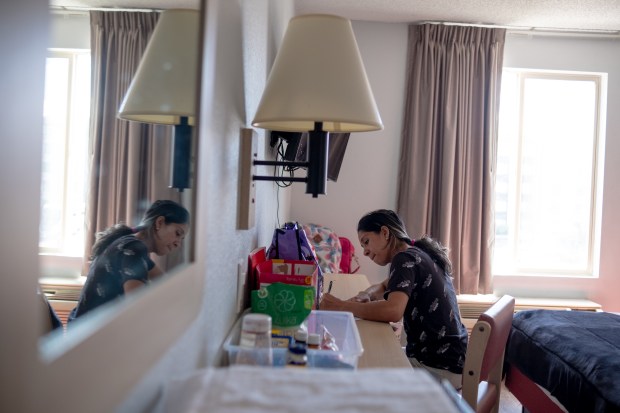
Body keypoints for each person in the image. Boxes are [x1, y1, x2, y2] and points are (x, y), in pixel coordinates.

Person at [320, 209, 468, 389]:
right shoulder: (418, 252)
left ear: (385, 232)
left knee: (363, 369)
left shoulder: (404, 258)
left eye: (366, 242)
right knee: (373, 353)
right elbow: (384, 286)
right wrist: (367, 294)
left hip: (438, 368)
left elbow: (393, 310)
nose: (365, 252)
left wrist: (342, 306)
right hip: (452, 360)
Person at [68, 200, 190, 322]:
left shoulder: (130, 244)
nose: (178, 244)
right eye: (178, 233)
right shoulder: (134, 249)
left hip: (84, 329)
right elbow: (137, 308)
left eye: (182, 239)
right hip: (91, 334)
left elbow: (166, 283)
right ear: (159, 223)